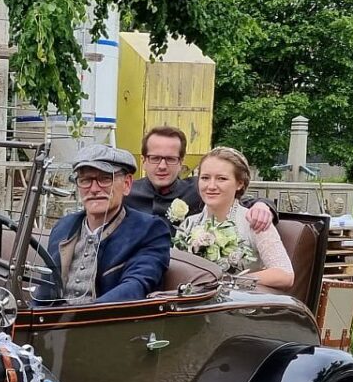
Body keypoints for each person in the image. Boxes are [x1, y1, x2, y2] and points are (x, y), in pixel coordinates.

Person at [35, 144, 170, 304]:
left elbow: (135, 287)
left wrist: (80, 318)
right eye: (85, 180)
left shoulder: (148, 230)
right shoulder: (63, 227)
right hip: (52, 325)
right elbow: (44, 292)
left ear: (127, 184)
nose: (94, 189)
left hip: (107, 324)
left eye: (105, 179)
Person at [178, 146, 294, 290]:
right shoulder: (189, 224)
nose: (211, 186)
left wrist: (232, 281)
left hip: (236, 305)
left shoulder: (254, 221)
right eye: (205, 178)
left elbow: (285, 274)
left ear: (240, 183)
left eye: (221, 179)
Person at [127, 126, 276, 237]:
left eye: (171, 159)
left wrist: (262, 206)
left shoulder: (199, 188)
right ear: (143, 161)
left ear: (181, 162)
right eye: (155, 158)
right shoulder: (126, 193)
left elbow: (242, 200)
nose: (162, 166)